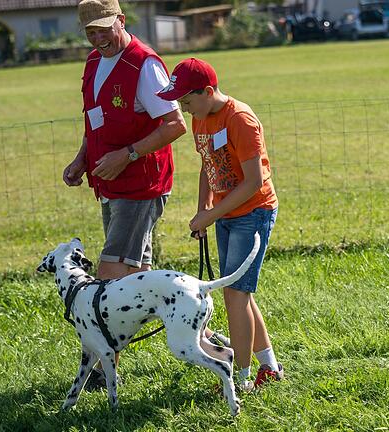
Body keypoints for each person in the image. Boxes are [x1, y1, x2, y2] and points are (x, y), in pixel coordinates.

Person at [62, 0, 187, 387]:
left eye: (104, 28)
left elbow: (175, 124)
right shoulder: (92, 64)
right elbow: (94, 122)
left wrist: (128, 154)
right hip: (110, 183)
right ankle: (203, 338)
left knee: (110, 274)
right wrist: (82, 159)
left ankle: (101, 369)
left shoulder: (145, 65)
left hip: (141, 185)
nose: (99, 38)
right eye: (91, 32)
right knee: (137, 280)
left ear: (122, 20)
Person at [156, 58, 283, 391]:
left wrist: (210, 215)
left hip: (253, 213)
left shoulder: (240, 119)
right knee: (239, 294)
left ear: (208, 91)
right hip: (226, 213)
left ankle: (239, 379)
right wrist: (204, 208)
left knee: (234, 296)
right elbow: (208, 166)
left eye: (186, 101)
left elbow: (254, 181)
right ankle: (269, 368)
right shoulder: (202, 118)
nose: (183, 109)